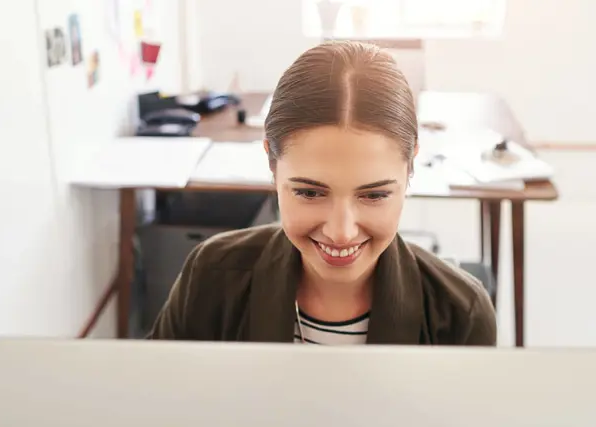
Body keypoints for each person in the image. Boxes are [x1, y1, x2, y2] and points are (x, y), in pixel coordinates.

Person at [148, 41, 496, 345]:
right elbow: (158, 405)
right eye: (310, 193)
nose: (341, 231)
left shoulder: (460, 313)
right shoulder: (212, 276)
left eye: (374, 195)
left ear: (410, 168)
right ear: (272, 163)